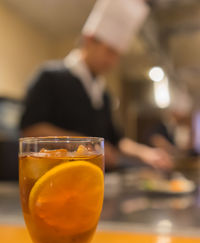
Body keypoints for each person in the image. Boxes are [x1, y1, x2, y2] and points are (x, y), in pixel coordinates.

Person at [20, 0, 172, 170]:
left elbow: (117, 141)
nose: (113, 62)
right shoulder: (49, 77)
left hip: (96, 179)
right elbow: (30, 130)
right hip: (55, 177)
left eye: (117, 55)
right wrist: (88, 146)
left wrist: (146, 153)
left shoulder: (104, 95)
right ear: (89, 40)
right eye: (110, 51)